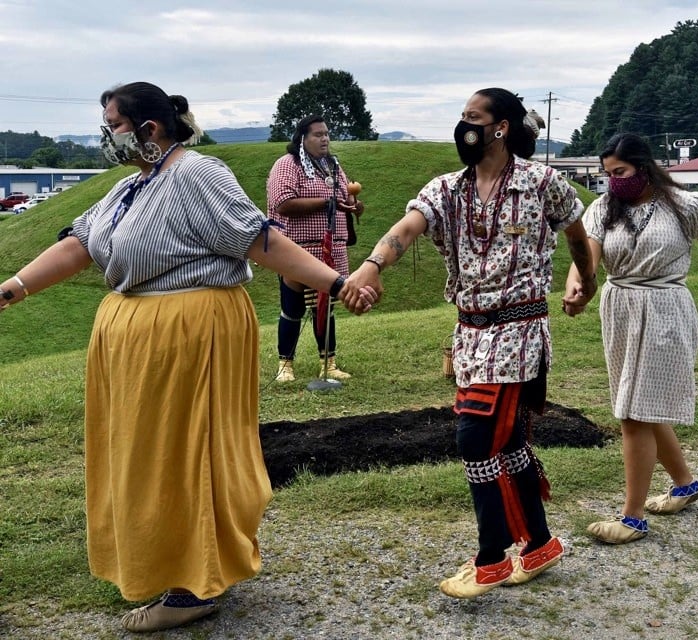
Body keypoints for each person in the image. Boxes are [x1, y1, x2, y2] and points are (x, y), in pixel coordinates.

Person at [0, 82, 375, 633]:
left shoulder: (196, 174)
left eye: (114, 124)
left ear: (150, 129)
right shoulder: (134, 186)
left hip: (190, 333)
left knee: (184, 454)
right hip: (143, 340)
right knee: (149, 456)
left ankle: (193, 585)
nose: (107, 135)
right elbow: (80, 244)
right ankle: (175, 561)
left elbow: (259, 239)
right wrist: (12, 288)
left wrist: (336, 283)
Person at [341, 88, 597, 599]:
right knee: (510, 443)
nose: (464, 127)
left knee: (475, 438)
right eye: (461, 118)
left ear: (501, 126)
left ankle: (490, 557)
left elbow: (578, 233)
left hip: (519, 331)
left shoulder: (542, 182)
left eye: (473, 118)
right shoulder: (446, 189)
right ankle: (541, 543)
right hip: (469, 333)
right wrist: (372, 267)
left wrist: (584, 281)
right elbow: (407, 227)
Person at [562, 133, 698, 544]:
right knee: (640, 405)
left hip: (665, 308)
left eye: (621, 172)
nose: (614, 181)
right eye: (607, 174)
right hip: (619, 308)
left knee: (633, 412)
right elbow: (586, 257)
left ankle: (632, 518)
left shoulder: (686, 206)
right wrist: (578, 286)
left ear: (644, 166)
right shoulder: (602, 210)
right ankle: (684, 484)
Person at [267, 114, 365, 382]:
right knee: (292, 307)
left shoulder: (332, 165)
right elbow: (282, 203)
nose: (325, 139)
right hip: (294, 248)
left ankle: (329, 362)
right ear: (303, 138)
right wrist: (326, 202)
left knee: (325, 307)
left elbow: (343, 198)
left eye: (326, 134)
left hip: (329, 247)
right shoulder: (287, 165)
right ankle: (285, 365)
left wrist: (355, 206)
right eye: (318, 135)